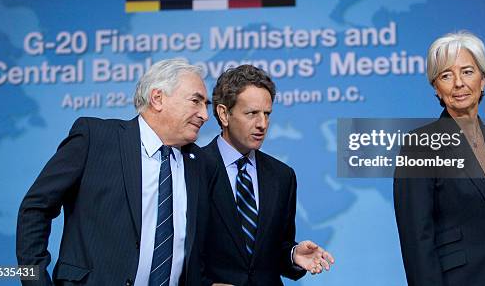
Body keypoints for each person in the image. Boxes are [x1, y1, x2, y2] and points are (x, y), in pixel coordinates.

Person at [17, 58, 212, 286]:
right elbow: (36, 208)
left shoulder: (199, 163)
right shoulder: (96, 138)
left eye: (205, 105)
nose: (204, 115)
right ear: (158, 98)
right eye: (195, 101)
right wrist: (36, 282)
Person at [393, 31, 485, 286]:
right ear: (436, 88)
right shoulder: (420, 147)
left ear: (483, 79)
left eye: (468, 72)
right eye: (446, 75)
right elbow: (417, 241)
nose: (458, 83)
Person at [201, 65, 334, 285]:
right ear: (224, 114)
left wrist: (293, 254)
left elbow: (275, 248)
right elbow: (179, 252)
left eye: (267, 114)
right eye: (252, 113)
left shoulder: (282, 177)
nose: (262, 124)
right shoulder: (193, 169)